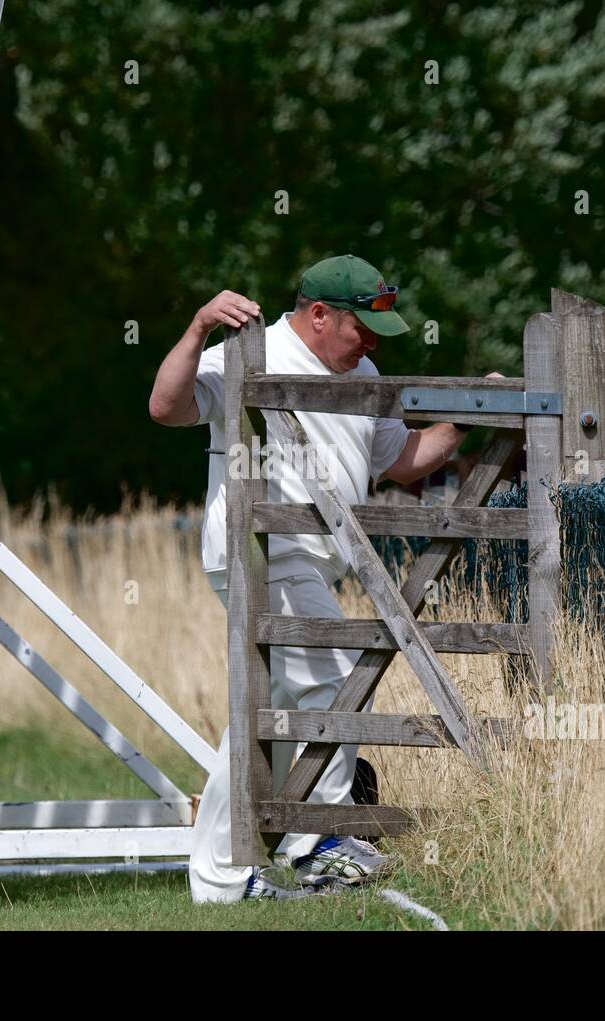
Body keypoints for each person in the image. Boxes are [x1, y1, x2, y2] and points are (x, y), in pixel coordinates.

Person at [149, 254, 501, 901]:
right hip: (261, 552)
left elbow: (402, 459)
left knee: (279, 705)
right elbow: (166, 405)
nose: (370, 344)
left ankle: (263, 855)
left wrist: (474, 411)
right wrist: (199, 325)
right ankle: (313, 845)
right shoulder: (252, 351)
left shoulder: (360, 370)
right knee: (336, 683)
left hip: (310, 561)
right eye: (360, 329)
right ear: (318, 315)